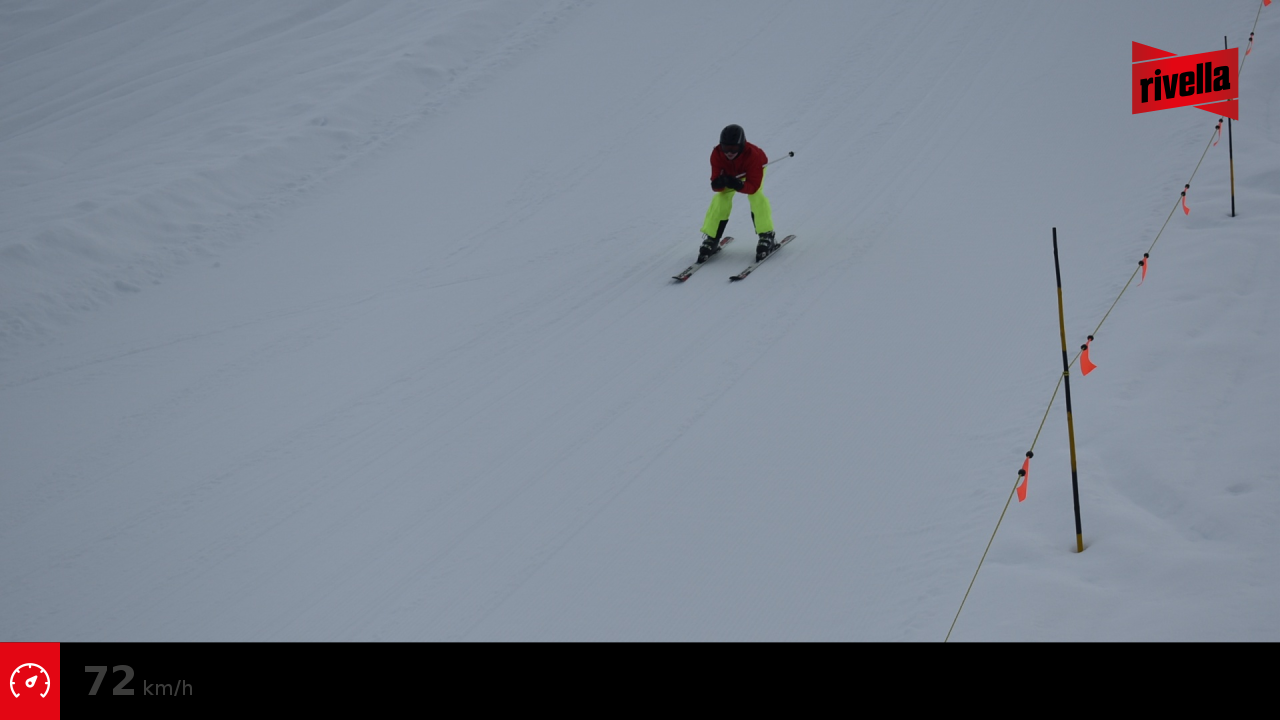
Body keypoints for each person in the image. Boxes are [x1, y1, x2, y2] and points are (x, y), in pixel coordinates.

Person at [698, 124, 777, 263]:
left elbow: (753, 187)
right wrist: (719, 183)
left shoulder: (753, 155)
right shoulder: (717, 154)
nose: (729, 152)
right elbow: (715, 182)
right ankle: (712, 238)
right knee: (720, 198)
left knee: (756, 196)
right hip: (731, 174)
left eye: (734, 148)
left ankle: (767, 235)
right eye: (726, 148)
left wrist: (738, 184)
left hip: (752, 172)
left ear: (742, 145)